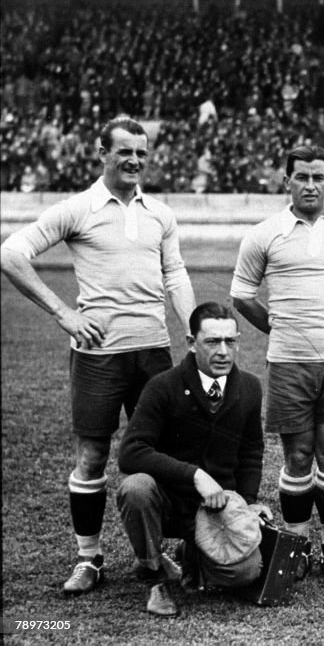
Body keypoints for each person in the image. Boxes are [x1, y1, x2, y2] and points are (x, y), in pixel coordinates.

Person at [0, 116, 195, 595]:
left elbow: (175, 276)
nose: (133, 161)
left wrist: (194, 333)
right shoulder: (78, 208)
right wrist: (64, 314)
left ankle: (154, 556)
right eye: (124, 151)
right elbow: (10, 253)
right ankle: (89, 559)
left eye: (141, 153)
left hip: (154, 352)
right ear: (101, 152)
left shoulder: (160, 214)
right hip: (99, 356)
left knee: (159, 454)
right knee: (92, 456)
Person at [231, 144, 324, 580]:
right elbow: (241, 296)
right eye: (301, 177)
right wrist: (281, 327)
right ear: (286, 180)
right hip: (288, 361)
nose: (310, 185)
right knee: (298, 456)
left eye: (318, 177)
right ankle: (294, 544)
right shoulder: (264, 233)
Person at [117, 302, 269, 617]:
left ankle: (193, 554)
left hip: (218, 508)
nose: (224, 351)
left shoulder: (250, 387)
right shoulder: (162, 386)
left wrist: (249, 501)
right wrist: (195, 475)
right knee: (136, 488)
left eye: (231, 341)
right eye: (213, 342)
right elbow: (131, 451)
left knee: (245, 574)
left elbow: (252, 450)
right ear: (190, 343)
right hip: (169, 503)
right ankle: (154, 575)